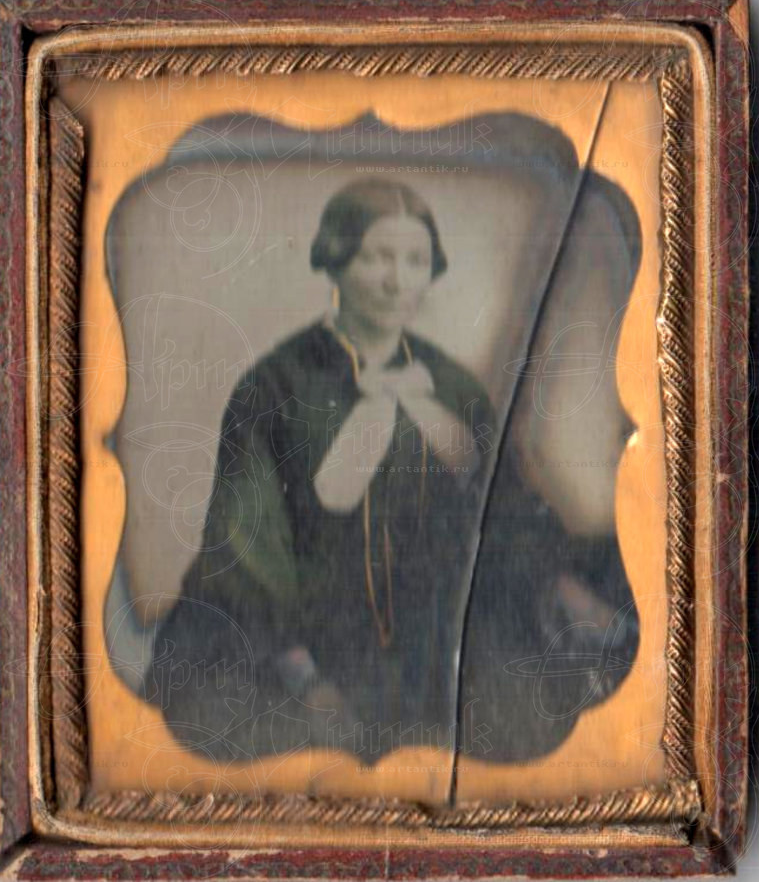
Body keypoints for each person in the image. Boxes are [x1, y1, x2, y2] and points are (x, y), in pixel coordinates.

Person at [144, 177, 639, 766]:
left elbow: (503, 516)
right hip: (295, 643)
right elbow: (246, 547)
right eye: (376, 257)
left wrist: (554, 581)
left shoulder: (451, 387)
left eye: (414, 261)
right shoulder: (274, 386)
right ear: (336, 258)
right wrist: (303, 676)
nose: (396, 280)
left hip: (436, 643)